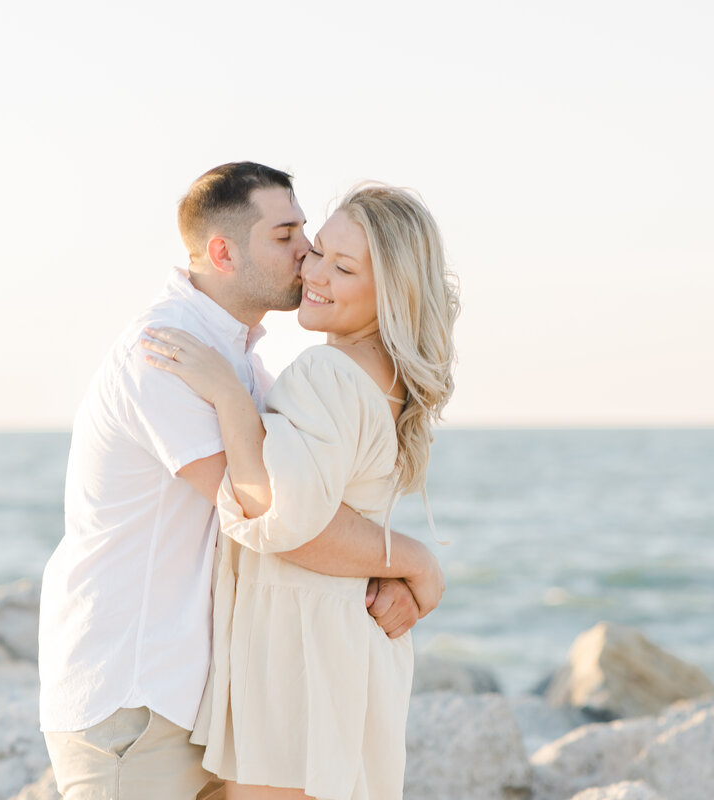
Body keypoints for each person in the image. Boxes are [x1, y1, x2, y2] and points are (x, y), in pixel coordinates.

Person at [38, 163, 446, 800]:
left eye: (319, 244)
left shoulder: (245, 360)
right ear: (224, 251)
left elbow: (290, 507)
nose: (307, 255)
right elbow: (276, 520)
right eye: (287, 236)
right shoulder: (166, 352)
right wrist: (416, 564)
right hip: (138, 694)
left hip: (208, 691)